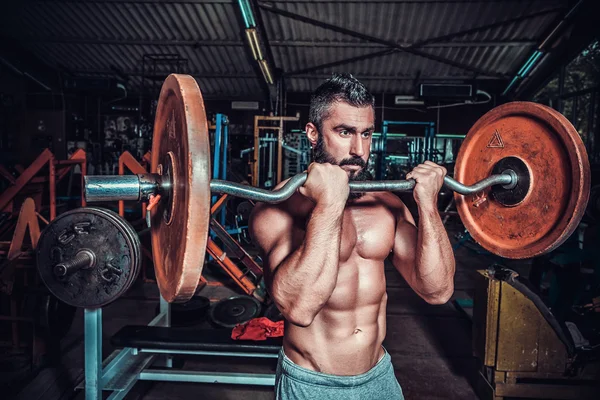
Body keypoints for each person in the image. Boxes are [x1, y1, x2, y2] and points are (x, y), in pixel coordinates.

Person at [249, 73, 456, 399]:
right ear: (313, 134)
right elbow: (298, 308)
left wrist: (427, 206)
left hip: (379, 377)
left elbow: (437, 290)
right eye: (344, 132)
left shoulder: (386, 204)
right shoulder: (278, 208)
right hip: (312, 384)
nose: (358, 149)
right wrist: (331, 202)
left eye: (367, 134)